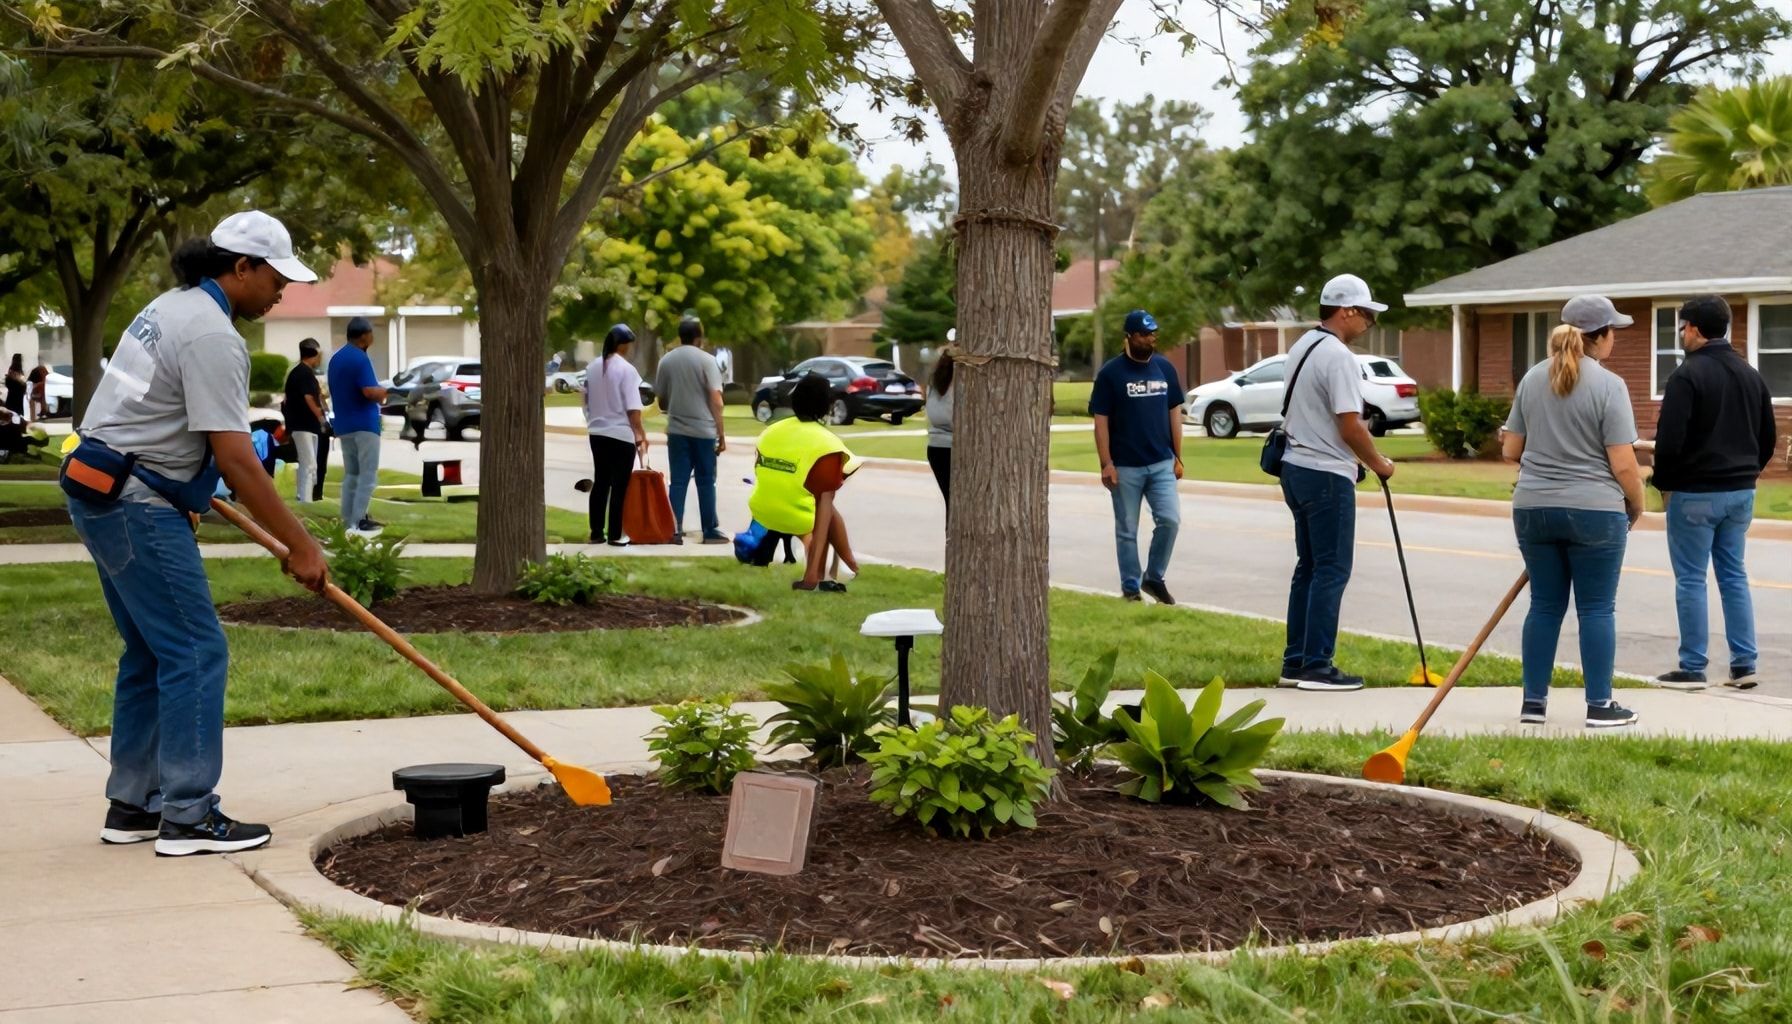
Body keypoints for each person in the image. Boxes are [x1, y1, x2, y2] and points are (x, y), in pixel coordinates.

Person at [65, 210, 327, 856]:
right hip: (133, 501)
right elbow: (236, 455)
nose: (281, 292)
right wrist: (301, 542)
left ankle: (134, 803)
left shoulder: (170, 308)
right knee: (196, 650)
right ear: (241, 268)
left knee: (153, 653)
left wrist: (183, 489)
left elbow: (143, 416)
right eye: (275, 278)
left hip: (105, 489)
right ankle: (187, 812)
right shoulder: (213, 334)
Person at [1501, 295, 1645, 728]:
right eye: (1612, 331)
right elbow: (1623, 463)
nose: (1614, 339)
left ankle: (1533, 704)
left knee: (1544, 605)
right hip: (1595, 511)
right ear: (1599, 337)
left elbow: (1511, 449)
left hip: (1533, 507)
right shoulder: (1609, 385)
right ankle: (1600, 705)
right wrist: (1636, 506)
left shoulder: (1531, 378)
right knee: (1597, 609)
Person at [1276, 275, 1398, 693]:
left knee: (1308, 568)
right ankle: (1317, 665)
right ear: (1345, 311)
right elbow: (1349, 425)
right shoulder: (1340, 358)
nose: (1368, 321)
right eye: (1366, 313)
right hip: (1327, 472)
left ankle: (1295, 661)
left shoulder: (1302, 346)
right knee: (1332, 569)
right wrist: (1379, 463)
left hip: (1294, 467)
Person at [1649, 295, 1777, 691]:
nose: (1680, 334)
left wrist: (1664, 484)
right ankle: (1744, 664)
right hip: (1740, 492)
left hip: (1695, 493)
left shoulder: (1687, 376)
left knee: (1690, 579)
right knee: (1733, 576)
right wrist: (1748, 471)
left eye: (1682, 326)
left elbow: (1669, 442)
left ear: (1697, 329)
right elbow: (1768, 437)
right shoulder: (1750, 374)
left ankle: (1692, 667)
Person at [1090, 309, 1184, 605]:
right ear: (1129, 336)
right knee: (1127, 530)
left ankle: (1154, 577)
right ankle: (1131, 588)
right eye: (1144, 334)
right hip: (1125, 466)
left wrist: (1178, 457)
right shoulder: (1110, 374)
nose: (1150, 339)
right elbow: (1100, 420)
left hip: (1161, 463)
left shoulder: (1165, 369)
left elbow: (1174, 413)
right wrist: (1106, 463)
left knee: (1170, 520)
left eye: (1153, 333)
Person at [749, 373, 861, 591]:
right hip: (796, 517)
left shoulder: (771, 431)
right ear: (825, 404)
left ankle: (851, 565)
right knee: (825, 503)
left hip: (762, 511)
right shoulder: (826, 442)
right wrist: (811, 576)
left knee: (823, 502)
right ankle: (824, 571)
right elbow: (824, 508)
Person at [655, 316, 727, 544]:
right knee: (706, 480)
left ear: (680, 336)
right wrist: (721, 433)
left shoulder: (666, 361)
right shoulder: (707, 361)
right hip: (704, 432)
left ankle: (673, 529)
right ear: (699, 338)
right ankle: (709, 530)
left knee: (678, 481)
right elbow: (717, 401)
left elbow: (663, 399)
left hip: (677, 430)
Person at [581, 325, 649, 545]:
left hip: (597, 432)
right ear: (623, 344)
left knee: (601, 481)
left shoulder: (592, 367)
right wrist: (640, 434)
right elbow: (633, 408)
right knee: (620, 486)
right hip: (621, 434)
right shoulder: (627, 370)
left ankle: (596, 532)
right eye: (629, 344)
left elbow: (585, 402)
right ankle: (615, 533)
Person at [327, 316, 386, 535]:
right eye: (371, 333)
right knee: (368, 475)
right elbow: (369, 391)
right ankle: (359, 519)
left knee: (352, 474)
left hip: (344, 424)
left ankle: (347, 520)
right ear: (364, 336)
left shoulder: (337, 358)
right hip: (364, 424)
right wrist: (384, 393)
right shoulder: (360, 359)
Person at [283, 338, 326, 503]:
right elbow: (309, 398)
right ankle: (305, 499)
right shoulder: (305, 374)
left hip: (301, 425)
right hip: (304, 425)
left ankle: (303, 496)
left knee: (307, 463)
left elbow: (287, 400)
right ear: (314, 354)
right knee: (309, 465)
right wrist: (322, 419)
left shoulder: (296, 373)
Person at [925, 345, 956, 512]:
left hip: (936, 447)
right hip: (953, 448)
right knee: (958, 505)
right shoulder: (958, 383)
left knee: (950, 503)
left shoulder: (935, 382)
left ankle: (950, 537)